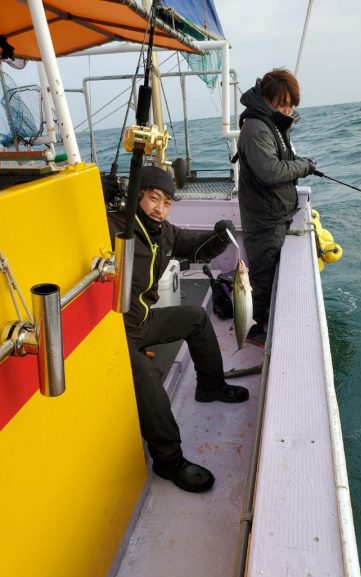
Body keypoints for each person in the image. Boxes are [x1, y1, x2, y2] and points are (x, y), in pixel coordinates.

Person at [102, 166, 249, 493]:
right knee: (147, 374)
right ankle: (168, 460)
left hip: (139, 321)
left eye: (167, 203)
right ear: (136, 195)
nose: (160, 208)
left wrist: (218, 234)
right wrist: (96, 194)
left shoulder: (164, 232)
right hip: (112, 332)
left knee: (195, 316)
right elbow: (79, 227)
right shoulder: (112, 226)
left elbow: (196, 247)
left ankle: (210, 386)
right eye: (154, 199)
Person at [236, 68, 318, 346]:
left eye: (291, 104)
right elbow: (270, 171)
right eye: (282, 103)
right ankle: (255, 330)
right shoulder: (256, 128)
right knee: (263, 275)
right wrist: (305, 166)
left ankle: (261, 323)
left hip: (275, 213)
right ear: (267, 99)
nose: (288, 109)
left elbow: (281, 162)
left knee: (267, 271)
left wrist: (299, 163)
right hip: (264, 219)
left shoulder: (270, 122)